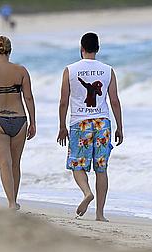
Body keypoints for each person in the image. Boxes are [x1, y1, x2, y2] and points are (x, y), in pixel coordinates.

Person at [57, 32, 123, 222]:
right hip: (103, 122)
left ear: (81, 48)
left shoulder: (70, 70)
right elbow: (115, 101)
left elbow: (63, 101)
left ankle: (87, 192)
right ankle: (100, 214)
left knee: (77, 164)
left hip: (80, 122)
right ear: (98, 48)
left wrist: (62, 126)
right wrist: (119, 127)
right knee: (101, 169)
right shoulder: (108, 70)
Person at [0, 36, 36, 210]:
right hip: (19, 119)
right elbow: (28, 97)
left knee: (4, 163)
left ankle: (11, 202)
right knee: (15, 163)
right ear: (10, 50)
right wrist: (33, 122)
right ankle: (14, 200)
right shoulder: (21, 71)